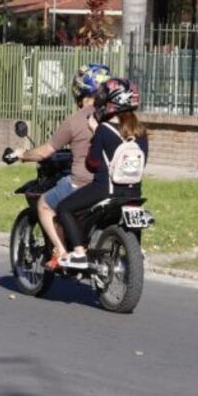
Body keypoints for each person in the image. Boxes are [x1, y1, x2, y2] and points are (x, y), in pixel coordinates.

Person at [13, 64, 112, 270]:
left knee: (44, 204)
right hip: (112, 183)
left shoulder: (75, 120)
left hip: (83, 182)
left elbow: (47, 150)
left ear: (79, 91)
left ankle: (60, 251)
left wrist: (23, 155)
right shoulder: (114, 116)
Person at [55, 78, 149, 269]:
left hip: (105, 189)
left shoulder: (104, 130)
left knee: (64, 208)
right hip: (134, 193)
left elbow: (92, 163)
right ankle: (136, 251)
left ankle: (79, 253)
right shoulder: (141, 132)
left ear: (112, 102)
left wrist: (95, 131)